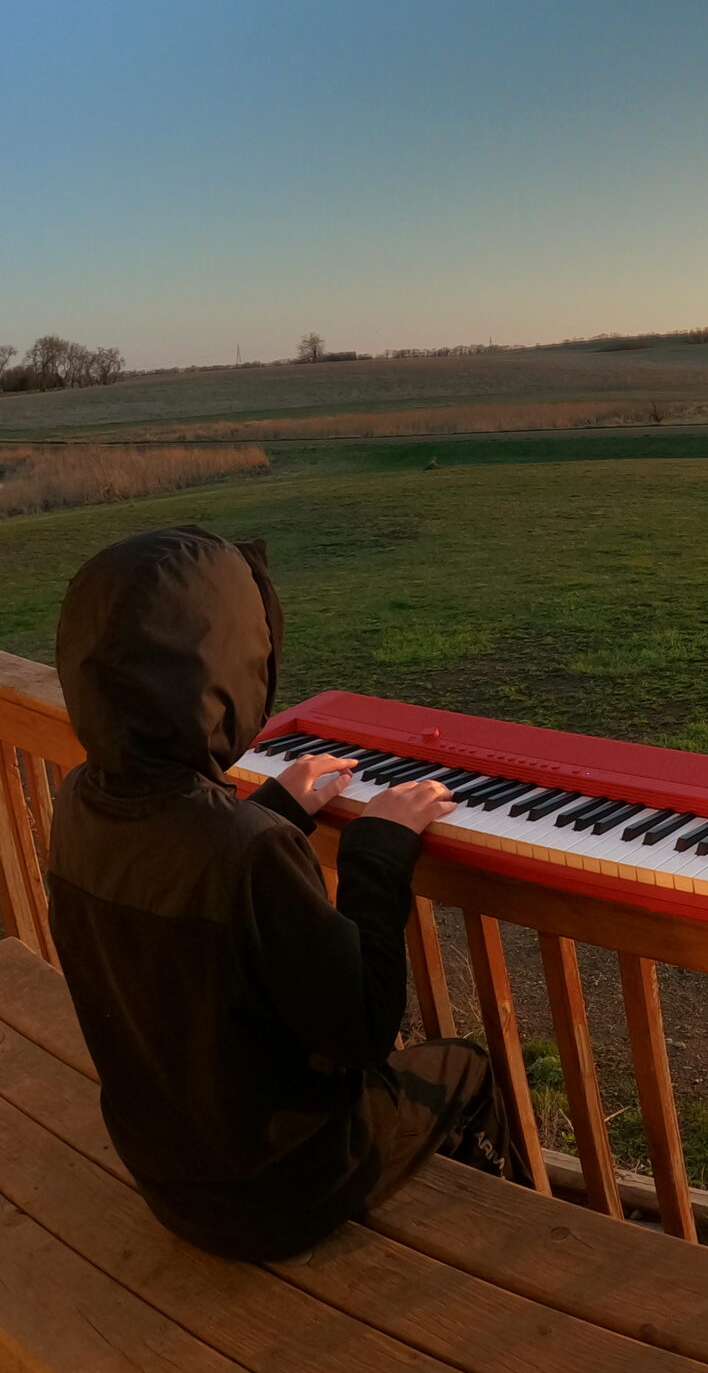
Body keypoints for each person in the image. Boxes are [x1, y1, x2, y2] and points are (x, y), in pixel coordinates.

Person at [47, 524, 508, 1261]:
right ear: (226, 675)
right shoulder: (245, 850)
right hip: (283, 1190)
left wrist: (277, 809)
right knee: (467, 1067)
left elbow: (192, 876)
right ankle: (481, 1248)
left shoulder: (81, 803)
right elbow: (362, 1027)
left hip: (169, 1173)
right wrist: (378, 848)